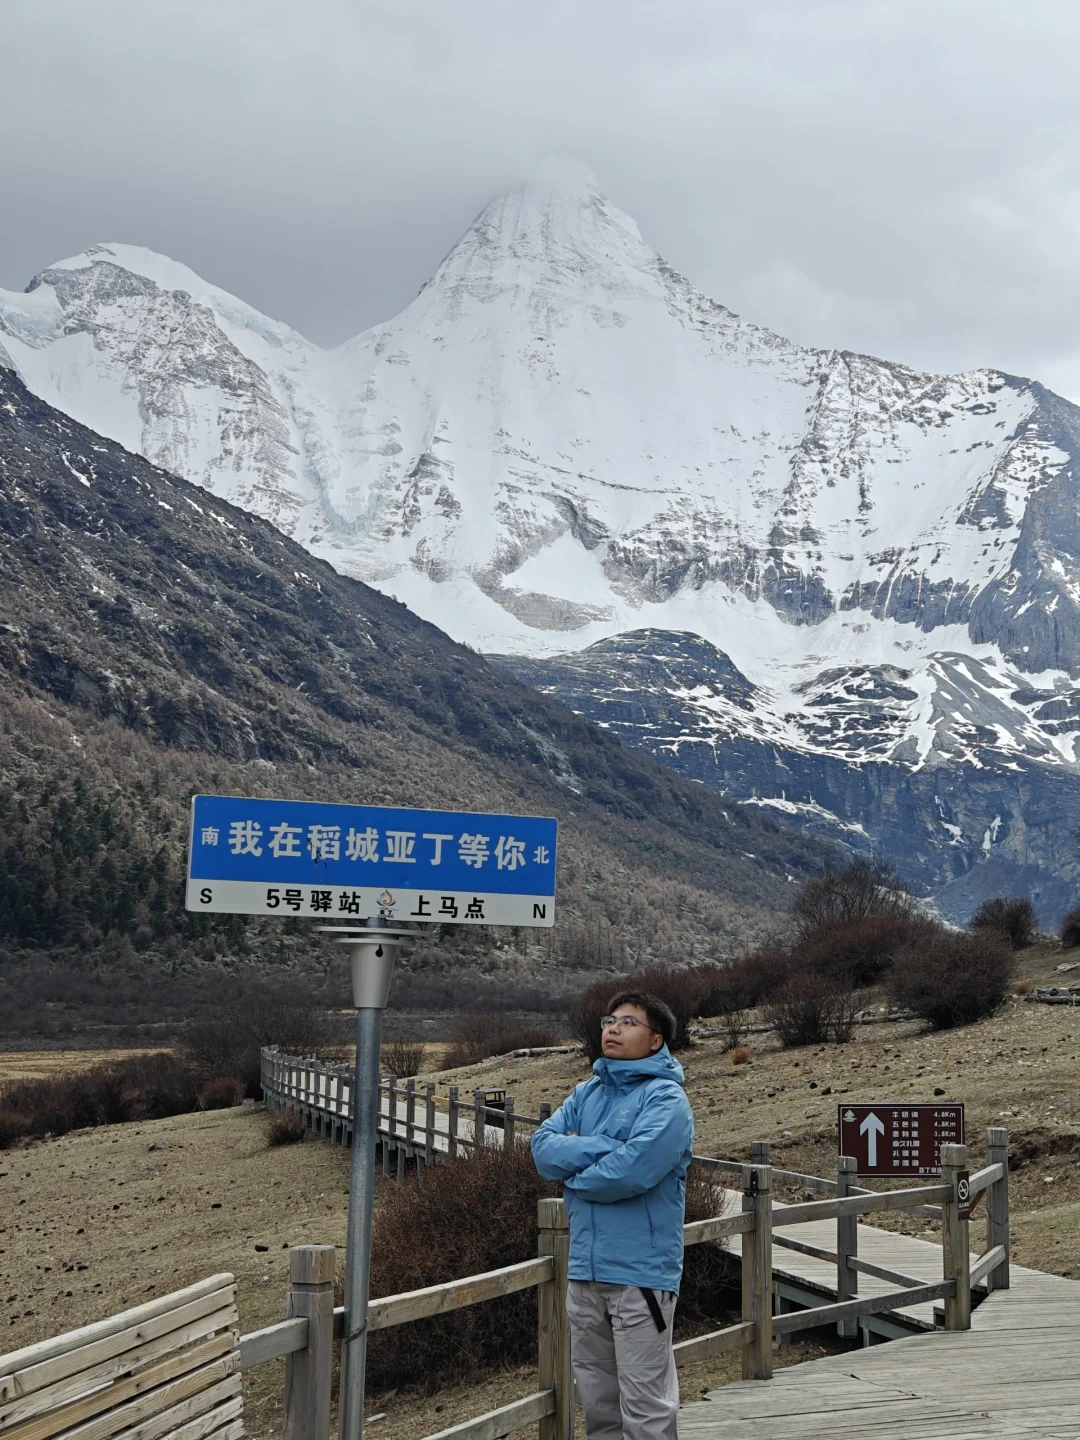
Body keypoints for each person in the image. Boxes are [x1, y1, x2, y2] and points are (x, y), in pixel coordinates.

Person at [531, 990, 695, 1440]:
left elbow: (631, 1172)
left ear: (656, 1040)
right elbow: (543, 1151)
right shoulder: (587, 1092)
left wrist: (574, 1177)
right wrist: (606, 1146)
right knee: (598, 1403)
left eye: (627, 1022)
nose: (612, 1029)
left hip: (641, 1277)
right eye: (609, 1021)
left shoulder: (667, 1100)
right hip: (585, 1272)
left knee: (645, 1404)